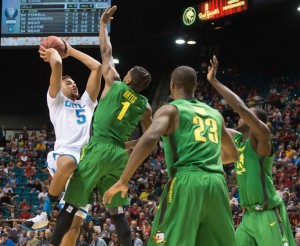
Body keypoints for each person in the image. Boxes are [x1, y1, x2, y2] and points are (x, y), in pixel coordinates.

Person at [50, 5, 152, 246]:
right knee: (117, 213)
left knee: (71, 206)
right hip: (118, 155)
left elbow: (106, 52)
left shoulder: (115, 83)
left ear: (127, 78)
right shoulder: (146, 106)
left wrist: (103, 25)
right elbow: (151, 137)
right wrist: (128, 145)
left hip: (98, 148)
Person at [102, 64, 239, 245]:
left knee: (161, 239)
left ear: (172, 84)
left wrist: (123, 180)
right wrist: (206, 160)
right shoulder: (215, 114)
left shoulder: (170, 109)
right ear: (196, 85)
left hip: (186, 181)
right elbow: (233, 155)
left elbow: (150, 137)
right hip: (217, 185)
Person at [206, 55, 296, 246]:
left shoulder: (262, 138)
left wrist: (214, 81)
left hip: (267, 213)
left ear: (255, 121)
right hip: (248, 217)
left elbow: (239, 106)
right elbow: (216, 125)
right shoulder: (238, 140)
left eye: (247, 116)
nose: (240, 118)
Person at [21, 37, 102, 241]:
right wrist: (55, 54)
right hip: (64, 155)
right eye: (68, 83)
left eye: (74, 82)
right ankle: (46, 213)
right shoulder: (56, 102)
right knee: (68, 162)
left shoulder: (87, 103)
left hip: (85, 164)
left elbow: (97, 68)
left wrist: (71, 49)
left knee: (75, 225)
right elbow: (56, 64)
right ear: (60, 86)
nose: (73, 85)